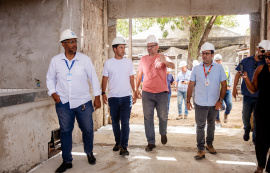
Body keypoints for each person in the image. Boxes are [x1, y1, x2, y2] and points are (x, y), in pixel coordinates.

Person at [46, 29, 101, 173]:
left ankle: (89, 152)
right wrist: (53, 94)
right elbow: (50, 78)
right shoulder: (56, 61)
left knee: (88, 129)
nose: (74, 44)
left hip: (83, 102)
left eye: (75, 41)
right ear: (63, 44)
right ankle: (67, 160)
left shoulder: (84, 60)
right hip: (63, 103)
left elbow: (93, 78)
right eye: (71, 42)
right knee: (65, 131)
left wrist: (97, 97)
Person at [186, 42, 227, 160]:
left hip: (214, 102)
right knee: (200, 126)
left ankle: (209, 144)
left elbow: (224, 85)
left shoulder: (219, 68)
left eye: (207, 54)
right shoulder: (196, 68)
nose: (204, 56)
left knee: (211, 125)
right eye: (203, 54)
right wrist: (188, 100)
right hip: (200, 102)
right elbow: (191, 85)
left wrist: (220, 100)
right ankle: (200, 149)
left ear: (212, 55)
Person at [135, 35, 175, 152]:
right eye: (148, 46)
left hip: (161, 93)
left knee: (163, 116)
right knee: (148, 118)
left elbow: (172, 66)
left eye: (152, 46)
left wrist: (165, 61)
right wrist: (136, 89)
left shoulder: (163, 56)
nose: (149, 48)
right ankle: (151, 142)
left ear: (157, 46)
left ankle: (163, 132)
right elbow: (139, 74)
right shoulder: (143, 59)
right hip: (147, 93)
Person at [101, 36, 136, 156]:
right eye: (121, 47)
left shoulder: (128, 62)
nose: (123, 49)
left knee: (125, 122)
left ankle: (124, 146)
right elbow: (104, 79)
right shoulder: (108, 63)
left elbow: (132, 78)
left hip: (126, 97)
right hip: (113, 98)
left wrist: (135, 91)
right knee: (115, 122)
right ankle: (118, 143)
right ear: (114, 49)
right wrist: (103, 93)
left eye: (124, 47)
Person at [241, 46, 270, 173]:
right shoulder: (260, 69)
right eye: (266, 57)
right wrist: (246, 78)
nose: (268, 59)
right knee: (261, 138)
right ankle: (261, 165)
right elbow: (253, 89)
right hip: (262, 107)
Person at [233, 40, 267, 143]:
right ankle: (247, 129)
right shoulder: (246, 61)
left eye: (265, 53)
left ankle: (255, 139)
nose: (263, 54)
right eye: (262, 51)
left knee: (257, 118)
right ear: (257, 49)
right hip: (247, 95)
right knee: (246, 115)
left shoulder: (266, 63)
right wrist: (234, 88)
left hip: (260, 96)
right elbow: (238, 74)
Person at [214, 54, 232, 124]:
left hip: (226, 91)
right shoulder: (212, 70)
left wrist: (229, 85)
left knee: (229, 104)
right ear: (214, 61)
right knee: (217, 105)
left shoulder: (226, 68)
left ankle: (226, 114)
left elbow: (229, 77)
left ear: (221, 61)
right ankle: (217, 119)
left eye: (219, 60)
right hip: (217, 91)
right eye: (216, 61)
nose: (218, 62)